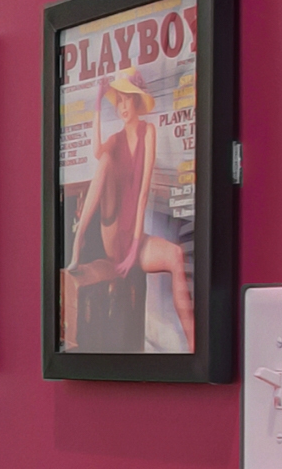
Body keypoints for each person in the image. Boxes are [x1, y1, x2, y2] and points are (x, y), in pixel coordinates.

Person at [62, 69, 195, 355]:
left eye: (126, 100)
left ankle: (195, 346)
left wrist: (136, 246)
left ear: (137, 101)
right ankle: (78, 240)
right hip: (111, 230)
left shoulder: (148, 132)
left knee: (175, 256)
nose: (122, 107)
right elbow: (97, 151)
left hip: (132, 234)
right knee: (106, 160)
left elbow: (144, 192)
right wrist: (97, 106)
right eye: (117, 102)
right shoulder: (116, 139)